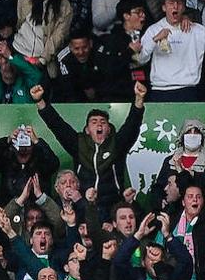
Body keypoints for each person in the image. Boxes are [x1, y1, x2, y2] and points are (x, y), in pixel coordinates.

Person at [31, 81, 146, 209]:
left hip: (113, 207)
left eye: (103, 122)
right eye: (94, 122)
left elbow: (132, 125)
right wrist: (40, 101)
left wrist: (139, 99)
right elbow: (58, 126)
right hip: (83, 207)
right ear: (87, 129)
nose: (99, 125)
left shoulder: (117, 144)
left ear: (108, 129)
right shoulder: (78, 144)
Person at [136, 0, 205, 101]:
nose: (175, 7)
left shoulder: (196, 30)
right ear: (163, 7)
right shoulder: (153, 30)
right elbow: (140, 59)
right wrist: (155, 39)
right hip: (160, 90)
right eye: (171, 3)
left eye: (179, 4)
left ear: (183, 8)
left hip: (189, 91)